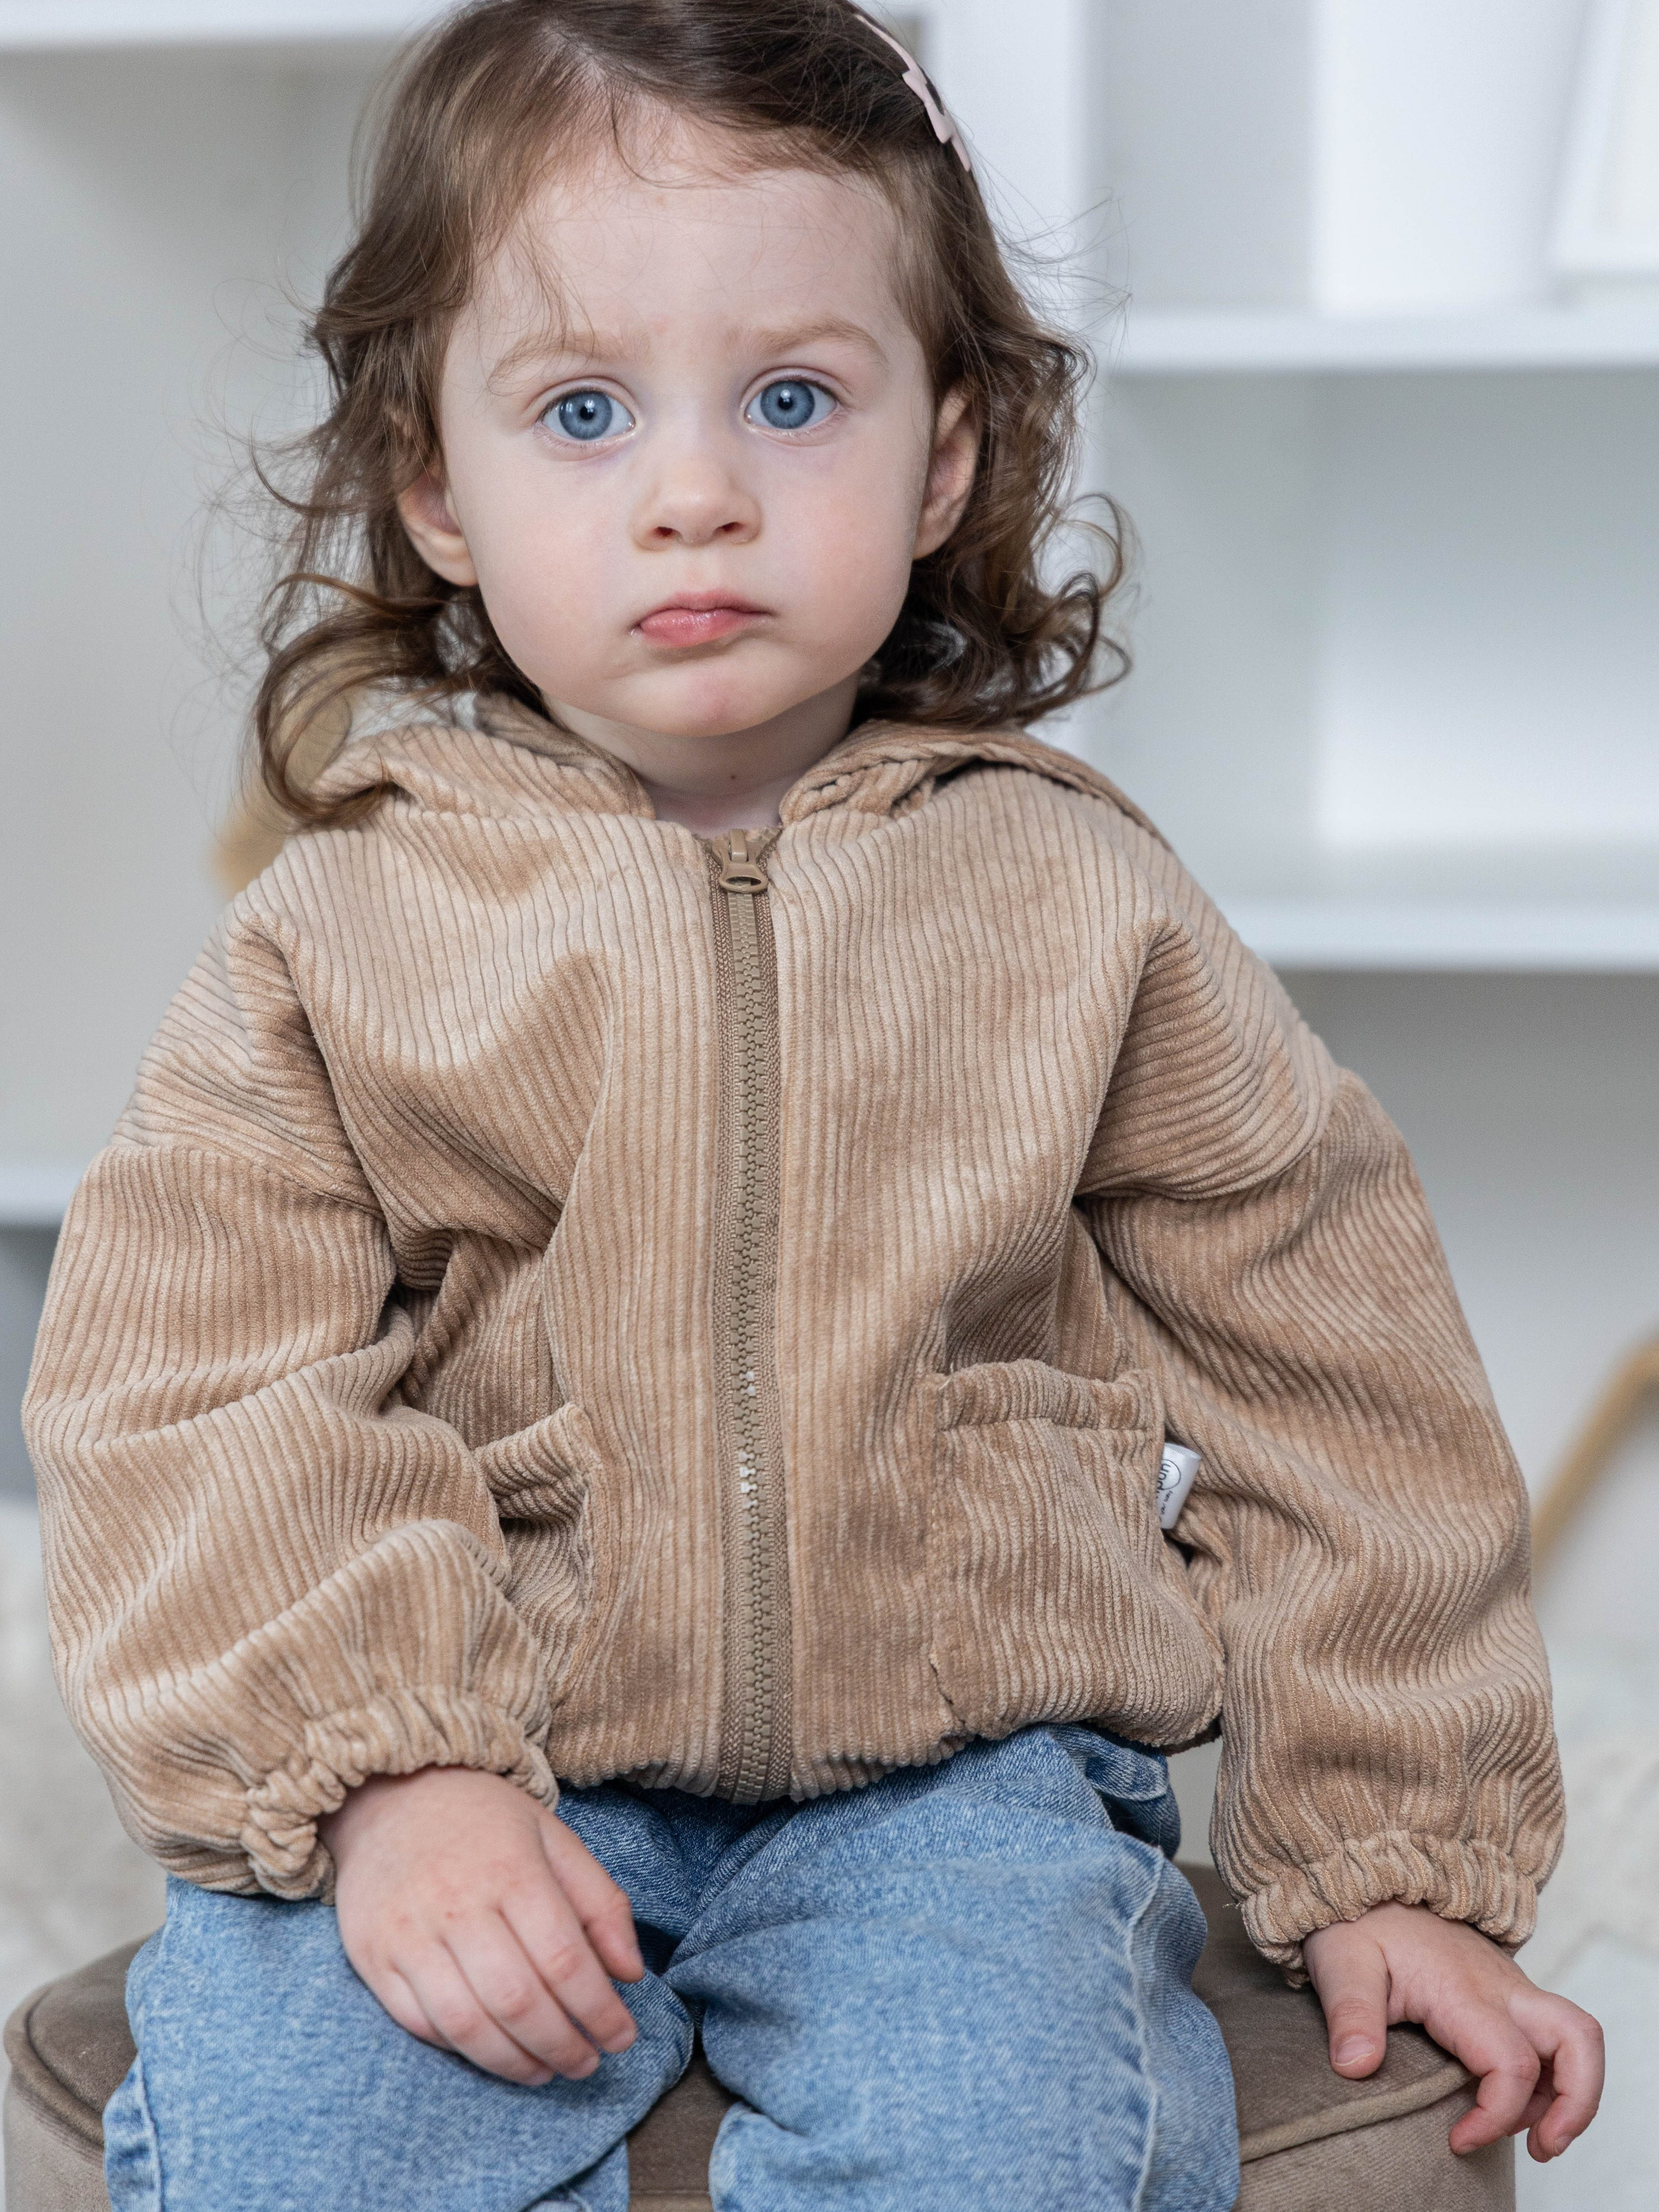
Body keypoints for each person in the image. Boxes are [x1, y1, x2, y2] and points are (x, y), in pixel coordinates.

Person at [25, 4, 1603, 2207]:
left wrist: (1394, 1851)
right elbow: (189, 1386)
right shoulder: (346, 931)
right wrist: (380, 1781)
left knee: (1018, 2124)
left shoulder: (1076, 900)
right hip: (495, 1731)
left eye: (792, 397)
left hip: (954, 1772)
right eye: (582, 410)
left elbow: (1333, 1368)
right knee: (309, 2115)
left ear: (943, 457)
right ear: (433, 491)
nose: (696, 488)